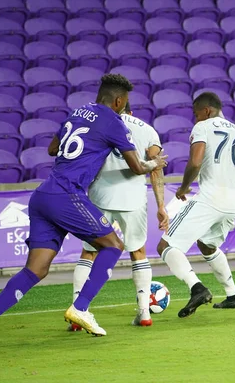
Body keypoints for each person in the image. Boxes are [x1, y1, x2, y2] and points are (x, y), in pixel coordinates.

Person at [0, 74, 168, 346]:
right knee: (113, 245)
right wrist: (154, 163)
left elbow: (52, 148)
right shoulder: (113, 121)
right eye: (124, 102)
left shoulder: (77, 112)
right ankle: (81, 307)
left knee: (36, 270)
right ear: (118, 101)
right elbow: (138, 166)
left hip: (43, 195)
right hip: (68, 194)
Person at [156, 91, 235, 318]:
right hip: (232, 204)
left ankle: (197, 288)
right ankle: (233, 296)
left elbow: (195, 162)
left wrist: (184, 187)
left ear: (206, 111)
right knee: (207, 245)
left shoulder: (203, 127)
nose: (196, 119)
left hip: (209, 199)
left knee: (165, 246)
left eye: (196, 114)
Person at [68, 101, 168, 331]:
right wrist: (161, 205)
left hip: (100, 195)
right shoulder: (147, 129)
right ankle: (144, 312)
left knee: (89, 251)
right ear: (130, 111)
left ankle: (77, 311)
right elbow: (156, 168)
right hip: (133, 198)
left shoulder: (99, 123)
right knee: (138, 252)